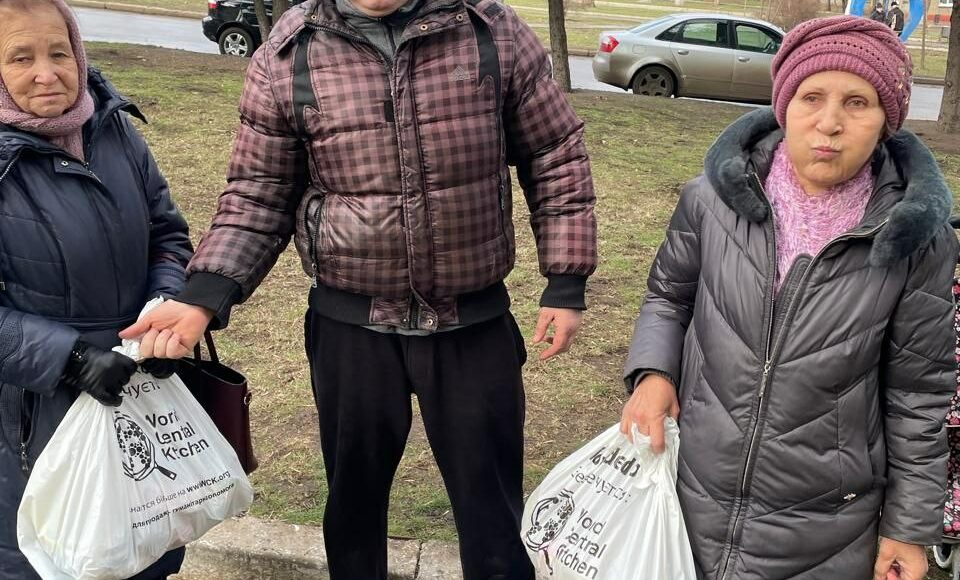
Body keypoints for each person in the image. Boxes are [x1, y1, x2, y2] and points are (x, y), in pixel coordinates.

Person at [120, 0, 598, 577]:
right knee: (354, 501)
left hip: (472, 324)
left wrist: (565, 281)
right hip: (350, 328)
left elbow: (556, 154)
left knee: (491, 505)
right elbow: (258, 193)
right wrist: (203, 296)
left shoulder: (489, 30)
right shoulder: (289, 51)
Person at [621, 15, 956, 580]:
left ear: (885, 121)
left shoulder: (916, 240)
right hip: (691, 497)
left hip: (826, 532)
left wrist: (907, 526)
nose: (828, 122)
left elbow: (919, 395)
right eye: (811, 97)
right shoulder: (711, 201)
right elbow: (668, 297)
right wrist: (653, 373)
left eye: (857, 102)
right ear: (783, 104)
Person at [0, 1, 193, 578]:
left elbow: (168, 232)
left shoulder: (112, 129)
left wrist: (163, 308)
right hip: (32, 423)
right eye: (20, 57)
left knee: (143, 554)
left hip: (136, 394)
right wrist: (72, 358)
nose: (47, 72)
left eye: (59, 53)